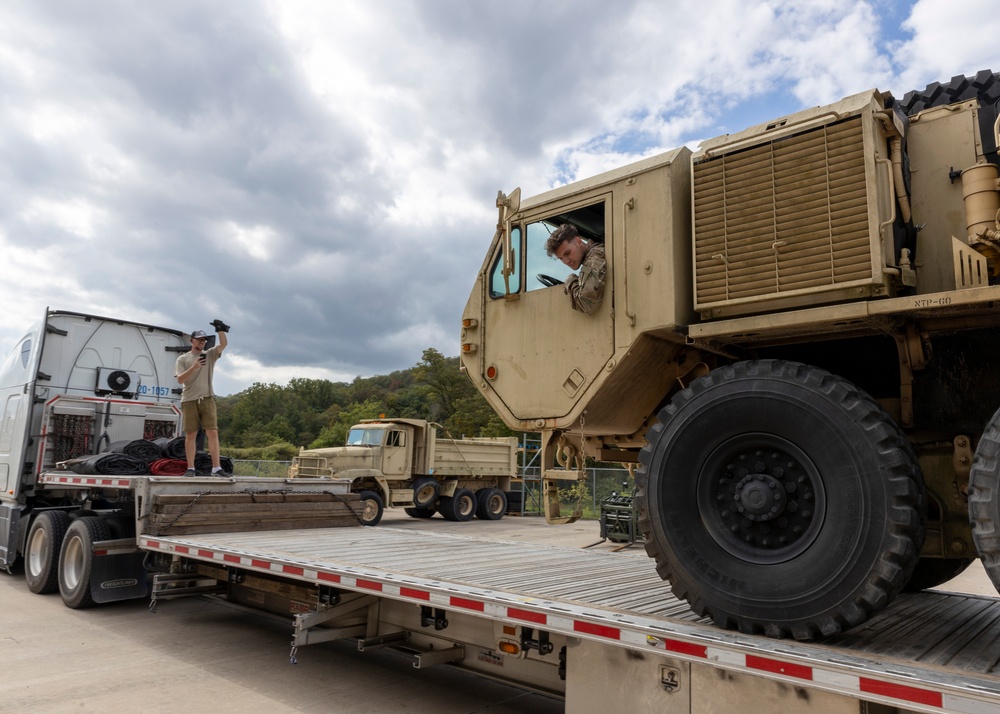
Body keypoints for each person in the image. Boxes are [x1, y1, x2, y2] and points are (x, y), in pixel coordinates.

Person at [175, 321, 229, 475]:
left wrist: (220, 331)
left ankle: (216, 467)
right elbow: (180, 380)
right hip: (189, 399)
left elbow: (223, 344)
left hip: (207, 398)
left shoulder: (210, 354)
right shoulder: (183, 359)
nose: (202, 342)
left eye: (204, 340)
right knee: (191, 434)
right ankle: (190, 468)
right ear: (191, 341)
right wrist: (194, 367)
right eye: (199, 339)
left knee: (212, 432)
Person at [544, 223, 607, 314]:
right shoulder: (591, 258)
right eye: (561, 258)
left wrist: (570, 281)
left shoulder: (596, 256)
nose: (566, 261)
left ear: (578, 242)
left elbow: (588, 305)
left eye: (567, 253)